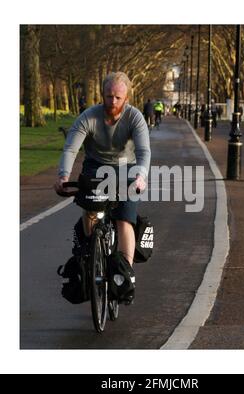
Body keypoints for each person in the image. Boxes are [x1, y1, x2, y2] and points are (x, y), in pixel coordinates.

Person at [54, 72, 151, 303]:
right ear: (102, 95)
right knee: (91, 210)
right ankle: (90, 254)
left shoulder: (135, 117)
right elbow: (70, 149)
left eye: (118, 97)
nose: (113, 102)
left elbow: (143, 151)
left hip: (127, 168)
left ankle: (125, 276)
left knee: (124, 219)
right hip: (95, 167)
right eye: (109, 97)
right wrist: (63, 175)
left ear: (127, 97)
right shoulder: (89, 117)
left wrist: (141, 176)